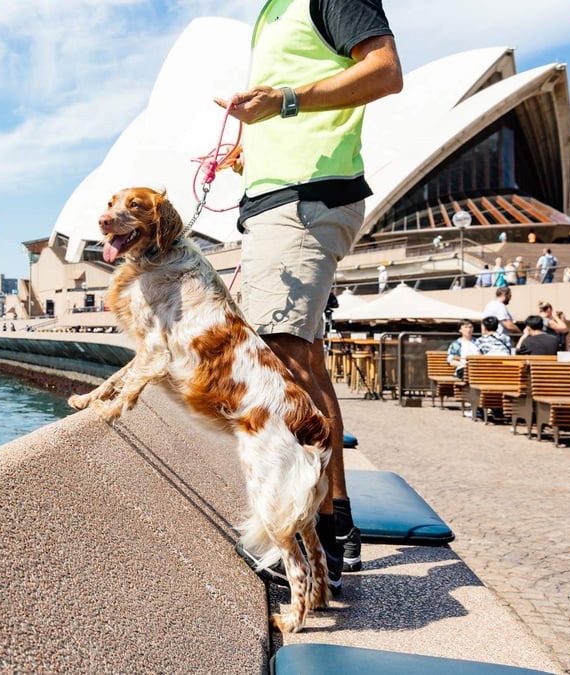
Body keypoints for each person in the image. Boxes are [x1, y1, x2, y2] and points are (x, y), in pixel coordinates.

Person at [215, 0, 403, 585]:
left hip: (303, 203)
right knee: (305, 366)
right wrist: (252, 149)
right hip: (282, 200)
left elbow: (386, 71)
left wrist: (286, 101)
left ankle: (308, 538)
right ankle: (333, 524)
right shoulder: (273, 12)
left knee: (283, 369)